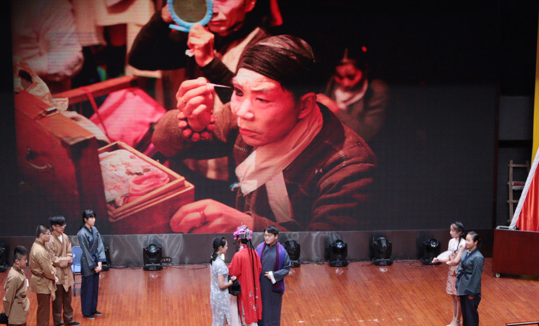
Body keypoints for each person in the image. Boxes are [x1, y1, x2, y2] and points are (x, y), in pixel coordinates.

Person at [152, 35, 377, 233]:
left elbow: (329, 255)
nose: (242, 112)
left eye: (262, 99)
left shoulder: (350, 167)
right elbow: (162, 142)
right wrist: (191, 122)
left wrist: (249, 227)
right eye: (238, 91)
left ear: (305, 105)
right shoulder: (240, 116)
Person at [128, 0, 267, 98]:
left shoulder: (263, 46)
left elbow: (250, 103)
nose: (211, 9)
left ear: (250, 0)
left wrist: (209, 62)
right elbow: (140, 59)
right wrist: (164, 16)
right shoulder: (200, 36)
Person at [317, 45, 390, 142]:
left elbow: (366, 134)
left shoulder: (376, 91)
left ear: (365, 70)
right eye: (339, 77)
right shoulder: (330, 83)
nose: (345, 83)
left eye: (351, 77)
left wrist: (336, 110)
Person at [226, 225, 264, 326]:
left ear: (238, 239)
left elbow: (233, 272)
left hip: (243, 287)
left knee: (244, 312)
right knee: (251, 310)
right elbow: (259, 269)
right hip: (253, 286)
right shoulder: (254, 253)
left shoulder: (239, 255)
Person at [256, 226, 290, 326]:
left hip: (273, 287)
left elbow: (287, 268)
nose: (266, 238)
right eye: (265, 235)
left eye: (269, 236)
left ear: (276, 236)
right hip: (260, 284)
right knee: (260, 308)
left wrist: (273, 275)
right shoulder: (259, 247)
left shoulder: (282, 252)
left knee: (272, 310)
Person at [3, 245, 31, 326]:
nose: (26, 261)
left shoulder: (19, 272)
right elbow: (8, 298)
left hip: (20, 311)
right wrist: (7, 315)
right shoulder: (14, 276)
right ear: (17, 261)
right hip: (15, 313)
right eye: (25, 259)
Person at [435, 222, 467, 326]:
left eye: (453, 230)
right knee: (453, 296)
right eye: (450, 230)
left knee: (458, 297)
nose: (451, 232)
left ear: (460, 232)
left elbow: (457, 260)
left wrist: (450, 263)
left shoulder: (463, 244)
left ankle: (457, 320)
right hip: (452, 272)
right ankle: (454, 319)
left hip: (460, 272)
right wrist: (439, 259)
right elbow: (449, 256)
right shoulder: (451, 241)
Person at [29, 225, 60, 326]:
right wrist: (54, 276)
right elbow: (46, 269)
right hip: (42, 281)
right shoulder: (40, 250)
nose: (49, 235)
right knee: (43, 308)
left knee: (44, 307)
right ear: (41, 235)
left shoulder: (39, 246)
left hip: (42, 280)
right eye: (48, 234)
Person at [48, 215, 78, 326]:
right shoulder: (49, 240)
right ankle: (58, 323)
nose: (63, 227)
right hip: (57, 273)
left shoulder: (65, 237)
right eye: (60, 225)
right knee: (57, 299)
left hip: (67, 272)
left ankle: (69, 319)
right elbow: (52, 259)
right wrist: (66, 260)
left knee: (67, 298)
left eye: (63, 225)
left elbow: (70, 252)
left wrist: (69, 258)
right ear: (53, 227)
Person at [455, 230, 484, 326]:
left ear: (475, 242)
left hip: (470, 288)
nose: (466, 242)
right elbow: (461, 268)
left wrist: (472, 292)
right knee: (465, 310)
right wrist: (458, 284)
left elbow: (476, 276)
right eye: (465, 240)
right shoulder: (466, 253)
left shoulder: (478, 257)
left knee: (471, 311)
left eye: (468, 240)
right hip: (463, 285)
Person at [77, 209, 106, 319]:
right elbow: (86, 251)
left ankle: (93, 309)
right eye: (91, 218)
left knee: (94, 287)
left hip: (96, 261)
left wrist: (100, 263)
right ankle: (86, 312)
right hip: (87, 263)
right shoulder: (81, 233)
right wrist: (94, 266)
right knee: (87, 288)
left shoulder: (94, 229)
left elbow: (100, 245)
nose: (94, 220)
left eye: (94, 217)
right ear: (85, 219)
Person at [209, 236, 235, 326]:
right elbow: (221, 285)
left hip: (214, 295)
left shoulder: (213, 259)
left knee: (216, 322)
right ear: (220, 247)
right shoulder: (220, 265)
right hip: (221, 298)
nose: (227, 248)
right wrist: (230, 282)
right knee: (220, 323)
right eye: (226, 246)